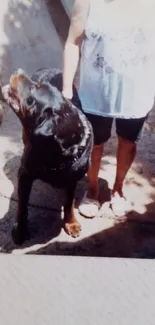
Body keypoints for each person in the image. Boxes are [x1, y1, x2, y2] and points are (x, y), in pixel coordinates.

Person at [62, 0, 155, 218]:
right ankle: (93, 189)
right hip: (95, 93)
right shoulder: (87, 2)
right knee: (95, 145)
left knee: (128, 142)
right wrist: (67, 88)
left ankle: (118, 189)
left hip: (137, 92)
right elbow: (72, 43)